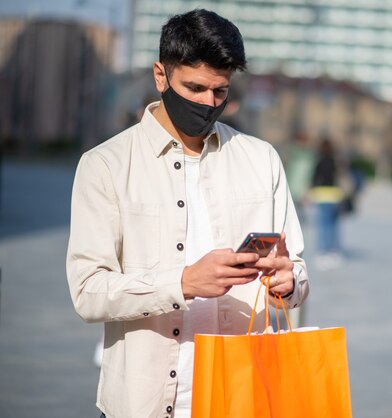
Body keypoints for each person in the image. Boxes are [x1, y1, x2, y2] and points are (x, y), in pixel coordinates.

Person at [66, 9, 309, 418]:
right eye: (194, 87)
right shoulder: (105, 165)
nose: (207, 103)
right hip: (141, 404)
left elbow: (297, 270)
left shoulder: (261, 159)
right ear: (160, 75)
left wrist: (289, 282)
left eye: (220, 92)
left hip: (241, 398)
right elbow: (88, 292)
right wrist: (184, 282)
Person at [310, 137, 350, 269]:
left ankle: (323, 252)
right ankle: (334, 251)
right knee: (334, 225)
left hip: (322, 195)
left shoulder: (319, 161)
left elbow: (315, 179)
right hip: (335, 196)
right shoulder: (336, 161)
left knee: (323, 225)